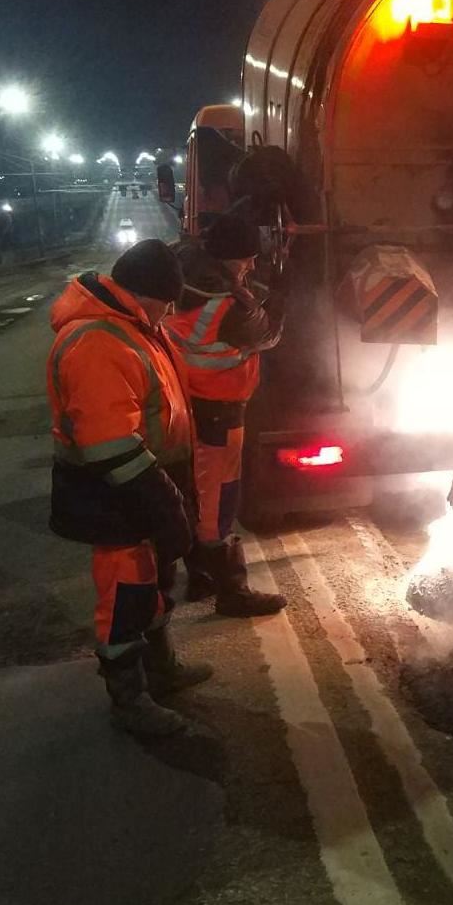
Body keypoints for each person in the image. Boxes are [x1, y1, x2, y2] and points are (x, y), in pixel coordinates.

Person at [47, 241, 211, 737]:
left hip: (145, 485)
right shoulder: (97, 341)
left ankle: (161, 673)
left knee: (153, 586)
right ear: (144, 295)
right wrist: (163, 503)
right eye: (165, 303)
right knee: (125, 597)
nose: (168, 314)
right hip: (118, 495)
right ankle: (129, 702)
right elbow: (110, 444)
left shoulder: (133, 327)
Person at [165, 212, 287, 617]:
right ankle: (231, 591)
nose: (251, 265)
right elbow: (268, 333)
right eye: (248, 259)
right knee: (219, 497)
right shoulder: (230, 306)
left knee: (193, 491)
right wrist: (282, 292)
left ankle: (200, 575)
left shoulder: (180, 275)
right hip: (219, 411)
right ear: (231, 257)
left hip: (181, 404)